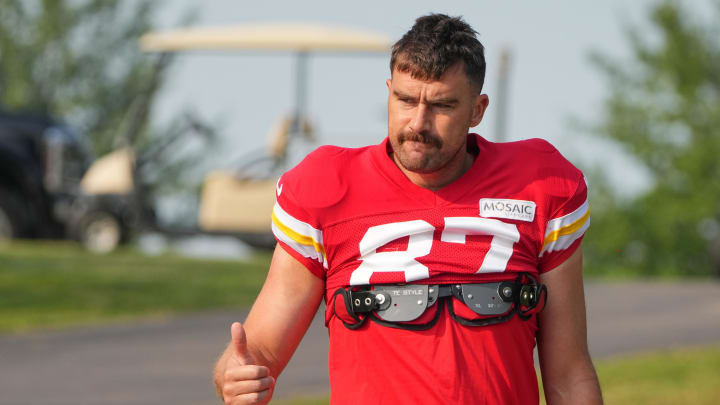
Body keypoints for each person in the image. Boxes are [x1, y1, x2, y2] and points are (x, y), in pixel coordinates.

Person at [213, 13, 603, 405]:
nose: (418, 122)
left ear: (478, 110)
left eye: (442, 105)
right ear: (388, 91)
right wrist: (235, 378)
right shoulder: (326, 187)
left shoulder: (540, 187)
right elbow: (258, 352)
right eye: (405, 99)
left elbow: (568, 373)